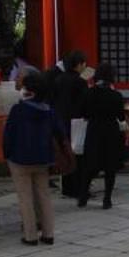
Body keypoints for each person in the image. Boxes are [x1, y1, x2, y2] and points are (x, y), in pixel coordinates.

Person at [1, 69, 63, 245]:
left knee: (25, 198)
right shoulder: (49, 111)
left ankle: (30, 235)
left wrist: (7, 154)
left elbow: (8, 135)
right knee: (44, 195)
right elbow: (59, 132)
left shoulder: (18, 110)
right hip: (43, 158)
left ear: (30, 90)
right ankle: (48, 233)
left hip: (19, 158)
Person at [77, 61, 128, 209]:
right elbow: (121, 117)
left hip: (93, 130)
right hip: (110, 132)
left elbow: (83, 112)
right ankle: (107, 199)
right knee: (109, 167)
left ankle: (83, 197)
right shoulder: (116, 96)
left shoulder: (88, 93)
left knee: (90, 166)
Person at [43, 51, 91, 197]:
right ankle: (79, 188)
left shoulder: (59, 79)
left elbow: (52, 99)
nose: (85, 66)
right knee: (78, 155)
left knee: (65, 153)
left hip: (60, 120)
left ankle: (67, 187)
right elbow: (85, 103)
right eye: (84, 64)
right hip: (77, 121)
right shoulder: (80, 82)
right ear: (79, 64)